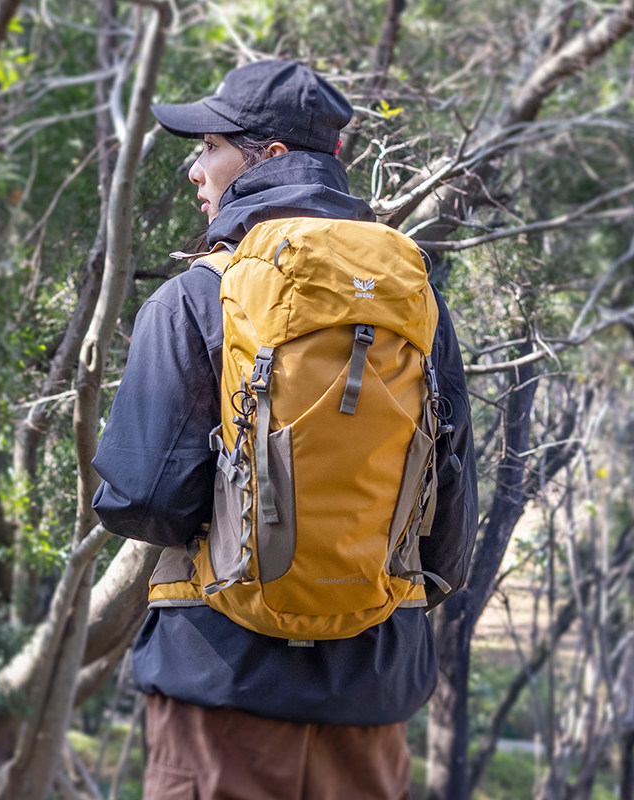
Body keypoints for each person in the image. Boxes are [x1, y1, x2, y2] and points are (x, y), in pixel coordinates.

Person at [92, 59, 477, 800]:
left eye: (210, 147)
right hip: (371, 698)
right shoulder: (417, 303)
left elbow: (143, 500)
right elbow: (448, 535)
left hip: (220, 690)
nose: (195, 170)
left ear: (268, 156)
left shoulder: (195, 298)